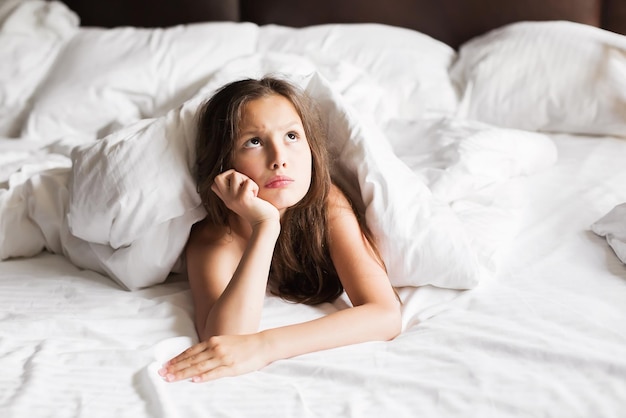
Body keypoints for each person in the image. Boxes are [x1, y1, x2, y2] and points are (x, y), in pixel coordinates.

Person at [158, 76, 401, 383]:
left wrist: (266, 345)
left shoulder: (326, 203)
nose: (279, 159)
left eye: (291, 136)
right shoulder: (216, 236)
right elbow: (226, 340)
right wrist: (265, 225)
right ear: (224, 162)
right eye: (254, 142)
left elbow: (386, 314)